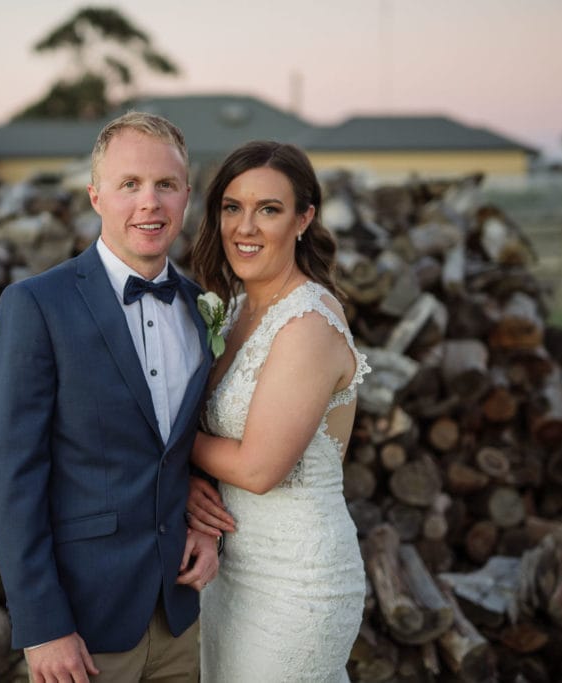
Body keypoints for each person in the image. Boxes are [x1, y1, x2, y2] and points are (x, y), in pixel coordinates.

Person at [0, 111, 221, 683]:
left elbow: (186, 444)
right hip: (84, 626)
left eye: (166, 185)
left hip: (182, 620)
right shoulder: (37, 305)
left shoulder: (203, 308)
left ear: (186, 196)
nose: (150, 203)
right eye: (129, 184)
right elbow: (12, 477)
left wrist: (207, 525)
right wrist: (42, 626)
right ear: (96, 195)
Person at [186, 140, 369, 682]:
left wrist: (163, 442)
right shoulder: (237, 309)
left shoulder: (308, 323)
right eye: (232, 208)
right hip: (231, 569)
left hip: (296, 580)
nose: (246, 227)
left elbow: (260, 469)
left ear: (304, 219)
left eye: (269, 209)